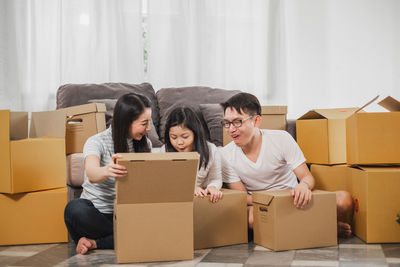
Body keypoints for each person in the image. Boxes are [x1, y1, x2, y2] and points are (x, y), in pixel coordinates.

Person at [220, 92, 353, 238]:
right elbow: (243, 198)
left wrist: (303, 186)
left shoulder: (281, 139)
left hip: (295, 200)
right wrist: (272, 200)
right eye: (226, 123)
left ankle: (304, 226)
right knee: (248, 219)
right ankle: (323, 227)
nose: (231, 129)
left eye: (237, 122)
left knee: (344, 200)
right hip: (263, 206)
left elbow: (307, 177)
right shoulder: (225, 156)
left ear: (256, 121)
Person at [64, 93, 153, 255]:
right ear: (126, 121)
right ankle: (126, 237)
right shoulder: (96, 141)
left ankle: (94, 243)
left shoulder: (145, 143)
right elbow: (91, 172)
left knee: (154, 219)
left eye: (149, 123)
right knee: (74, 209)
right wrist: (107, 170)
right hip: (97, 214)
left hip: (125, 215)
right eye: (144, 123)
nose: (149, 129)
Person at [160, 106, 223, 203]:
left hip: (198, 201)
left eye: (185, 137)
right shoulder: (164, 152)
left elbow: (216, 179)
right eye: (173, 137)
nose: (179, 142)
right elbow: (163, 183)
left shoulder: (211, 150)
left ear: (196, 133)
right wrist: (190, 189)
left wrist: (213, 187)